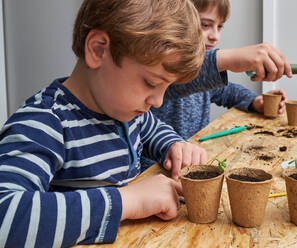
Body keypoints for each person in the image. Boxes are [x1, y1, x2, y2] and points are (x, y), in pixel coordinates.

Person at [0, 0, 210, 246]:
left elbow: (151, 128)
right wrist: (127, 201)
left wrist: (174, 146)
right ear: (98, 50)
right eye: (152, 83)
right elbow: (5, 216)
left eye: (167, 87)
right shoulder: (45, 123)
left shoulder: (126, 112)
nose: (158, 101)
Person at [141, 0, 290, 172]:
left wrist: (254, 101)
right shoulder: (163, 72)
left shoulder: (207, 76)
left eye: (220, 27)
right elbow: (183, 76)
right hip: (157, 169)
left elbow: (226, 91)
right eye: (205, 25)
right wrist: (228, 59)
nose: (215, 36)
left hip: (193, 162)